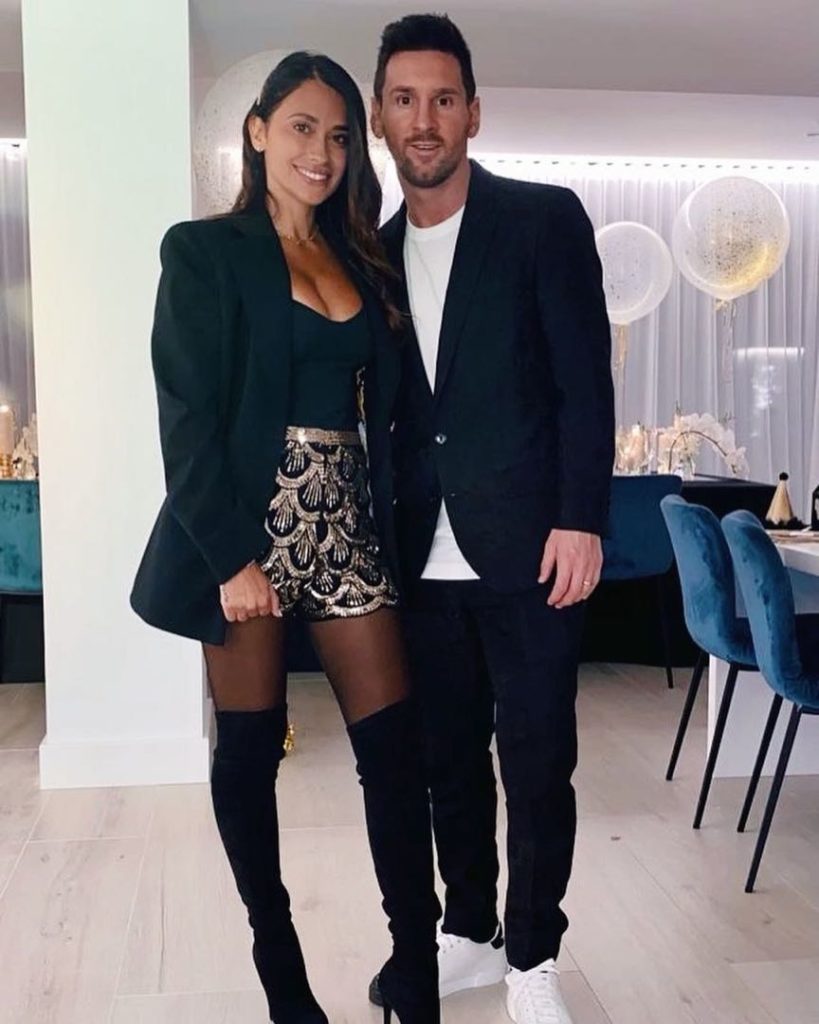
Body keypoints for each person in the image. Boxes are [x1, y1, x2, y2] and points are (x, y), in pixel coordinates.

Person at [130, 51, 440, 1024]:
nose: (323, 151)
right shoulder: (204, 251)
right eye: (303, 127)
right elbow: (185, 417)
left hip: (346, 523)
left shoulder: (364, 258)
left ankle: (415, 964)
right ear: (258, 131)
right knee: (250, 753)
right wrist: (229, 558)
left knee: (394, 751)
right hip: (247, 534)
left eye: (339, 136)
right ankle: (282, 971)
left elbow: (397, 407)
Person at [366, 15, 615, 1024]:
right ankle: (467, 931)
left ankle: (534, 955)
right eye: (404, 99)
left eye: (442, 98)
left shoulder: (541, 220)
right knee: (447, 760)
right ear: (380, 117)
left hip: (532, 548)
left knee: (539, 759)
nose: (424, 119)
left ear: (473, 111)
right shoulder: (369, 254)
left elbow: (583, 384)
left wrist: (582, 516)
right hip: (416, 554)